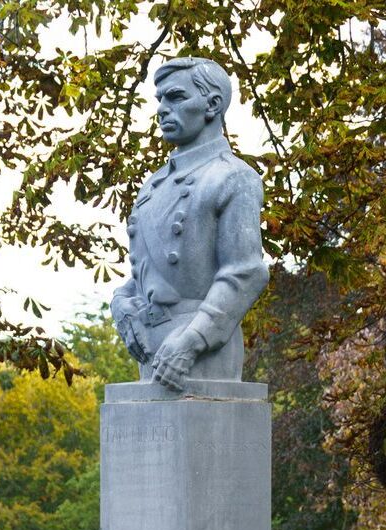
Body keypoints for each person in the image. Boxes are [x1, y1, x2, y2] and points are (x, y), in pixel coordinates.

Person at [110, 57, 270, 391]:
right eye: (160, 100)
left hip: (202, 351)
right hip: (150, 347)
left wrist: (191, 341)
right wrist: (122, 307)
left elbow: (245, 272)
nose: (162, 109)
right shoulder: (153, 186)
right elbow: (142, 276)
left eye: (176, 97)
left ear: (212, 104)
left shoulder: (234, 177)